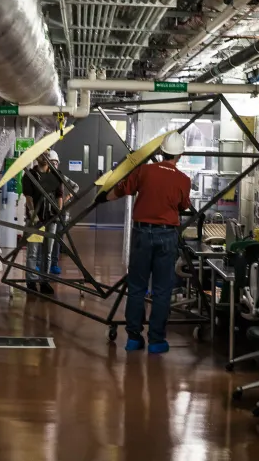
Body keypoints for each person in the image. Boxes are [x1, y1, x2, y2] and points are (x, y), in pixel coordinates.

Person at [99, 132, 190, 354]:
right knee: (161, 290)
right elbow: (184, 206)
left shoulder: (145, 171)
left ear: (161, 151)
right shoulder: (183, 180)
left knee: (137, 286)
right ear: (180, 155)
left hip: (141, 234)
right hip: (166, 236)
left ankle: (133, 338)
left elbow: (121, 189)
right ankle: (157, 341)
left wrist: (103, 197)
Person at [21, 152, 63, 294]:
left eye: (46, 154)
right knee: (33, 252)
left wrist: (58, 213)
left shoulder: (55, 175)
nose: (44, 156)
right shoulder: (29, 175)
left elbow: (59, 195)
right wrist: (33, 214)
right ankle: (31, 282)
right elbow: (28, 196)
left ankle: (44, 281)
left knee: (48, 252)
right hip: (36, 220)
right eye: (41, 154)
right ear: (37, 157)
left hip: (51, 219)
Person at [47, 150, 80, 275]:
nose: (54, 165)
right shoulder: (43, 177)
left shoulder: (61, 177)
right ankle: (42, 263)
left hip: (61, 213)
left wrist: (68, 197)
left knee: (58, 239)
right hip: (48, 214)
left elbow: (76, 186)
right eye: (51, 163)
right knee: (46, 239)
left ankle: (54, 264)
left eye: (56, 163)